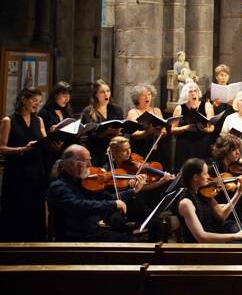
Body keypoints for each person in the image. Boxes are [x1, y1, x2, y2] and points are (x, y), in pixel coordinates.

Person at [46, 145, 147, 242]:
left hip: (91, 233)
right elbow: (77, 205)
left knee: (129, 236)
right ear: (73, 163)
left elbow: (109, 198)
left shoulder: (83, 182)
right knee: (129, 242)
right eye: (87, 161)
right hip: (75, 238)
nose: (90, 165)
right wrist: (113, 204)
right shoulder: (58, 186)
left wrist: (133, 191)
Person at [0, 88, 48, 241]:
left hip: (36, 171)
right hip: (17, 172)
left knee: (35, 209)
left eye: (39, 102)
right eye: (34, 101)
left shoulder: (39, 120)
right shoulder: (8, 120)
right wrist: (22, 149)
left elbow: (45, 142)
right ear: (23, 99)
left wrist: (55, 138)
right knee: (17, 209)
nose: (37, 105)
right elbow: (1, 148)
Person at [176, 157, 242, 243]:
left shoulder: (200, 193)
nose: (208, 177)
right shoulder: (186, 203)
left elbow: (222, 215)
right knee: (240, 244)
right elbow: (202, 237)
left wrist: (239, 192)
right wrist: (234, 236)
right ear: (196, 177)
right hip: (198, 248)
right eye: (205, 174)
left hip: (210, 238)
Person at [172, 81, 215, 171]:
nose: (193, 93)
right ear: (185, 94)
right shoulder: (180, 108)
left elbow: (212, 128)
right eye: (190, 91)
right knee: (185, 171)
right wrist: (185, 128)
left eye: (195, 90)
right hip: (185, 144)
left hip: (202, 143)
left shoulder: (207, 105)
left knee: (200, 170)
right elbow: (173, 129)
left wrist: (205, 130)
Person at [81, 79, 125, 166]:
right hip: (95, 151)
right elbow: (85, 136)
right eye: (102, 92)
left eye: (108, 91)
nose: (106, 94)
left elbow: (122, 129)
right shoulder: (88, 111)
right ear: (96, 94)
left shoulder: (116, 109)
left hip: (113, 151)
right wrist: (105, 132)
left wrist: (119, 132)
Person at [126, 84, 170, 169]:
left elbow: (163, 128)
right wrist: (147, 132)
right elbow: (133, 134)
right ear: (137, 98)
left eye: (149, 94)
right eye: (143, 95)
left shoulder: (156, 110)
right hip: (139, 148)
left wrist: (162, 132)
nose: (147, 97)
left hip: (156, 148)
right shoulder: (133, 112)